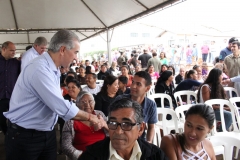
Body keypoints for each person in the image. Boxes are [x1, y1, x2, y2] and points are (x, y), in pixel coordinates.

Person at [3, 30, 101, 160]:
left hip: (45, 133)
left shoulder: (53, 69)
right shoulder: (39, 68)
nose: (76, 57)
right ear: (62, 50)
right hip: (25, 137)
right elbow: (60, 106)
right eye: (75, 52)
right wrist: (91, 117)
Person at [79, 98, 168, 160]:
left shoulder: (155, 155)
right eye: (113, 123)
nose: (118, 131)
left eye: (126, 124)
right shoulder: (91, 155)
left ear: (140, 129)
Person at [62, 91, 107, 160]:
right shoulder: (71, 120)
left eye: (90, 101)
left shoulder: (100, 114)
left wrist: (105, 125)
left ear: (94, 103)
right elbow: (66, 146)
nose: (87, 105)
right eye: (83, 102)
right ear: (77, 104)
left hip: (105, 154)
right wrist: (82, 156)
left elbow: (113, 135)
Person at [117, 71, 157, 143]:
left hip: (139, 142)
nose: (133, 86)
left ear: (147, 88)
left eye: (138, 84)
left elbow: (151, 127)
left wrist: (149, 142)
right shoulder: (120, 100)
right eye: (133, 82)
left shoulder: (151, 105)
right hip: (120, 139)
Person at [0, 41, 20, 135]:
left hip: (13, 97)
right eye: (11, 50)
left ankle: (13, 136)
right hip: (1, 97)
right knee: (1, 119)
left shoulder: (16, 63)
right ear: (4, 49)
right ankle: (6, 134)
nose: (14, 52)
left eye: (14, 50)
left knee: (16, 118)